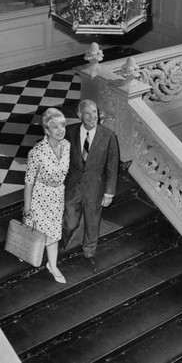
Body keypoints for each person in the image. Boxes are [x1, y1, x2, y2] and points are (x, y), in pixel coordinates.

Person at [62, 99, 120, 273]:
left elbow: (112, 167)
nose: (92, 116)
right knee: (70, 222)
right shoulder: (70, 132)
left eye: (94, 112)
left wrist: (109, 193)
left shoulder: (108, 136)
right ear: (80, 115)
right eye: (87, 113)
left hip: (95, 189)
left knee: (92, 224)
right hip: (72, 187)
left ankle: (89, 254)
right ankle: (63, 242)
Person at [23, 108, 70, 284]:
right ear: (46, 130)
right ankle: (49, 263)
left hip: (58, 195)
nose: (60, 130)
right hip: (40, 197)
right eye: (55, 127)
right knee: (43, 232)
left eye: (63, 126)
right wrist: (27, 210)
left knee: (54, 232)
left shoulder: (67, 146)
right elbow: (28, 182)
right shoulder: (37, 152)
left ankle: (52, 265)